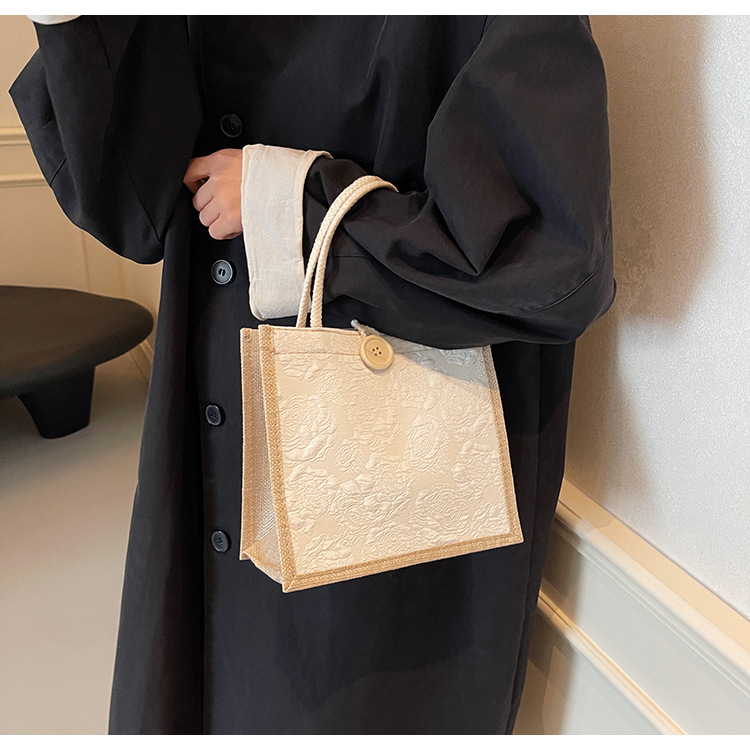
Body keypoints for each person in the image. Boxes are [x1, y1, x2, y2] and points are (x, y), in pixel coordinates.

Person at [11, 15, 615, 734]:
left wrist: (293, 201)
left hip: (389, 490)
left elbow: (554, 261)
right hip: (210, 424)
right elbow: (133, 207)